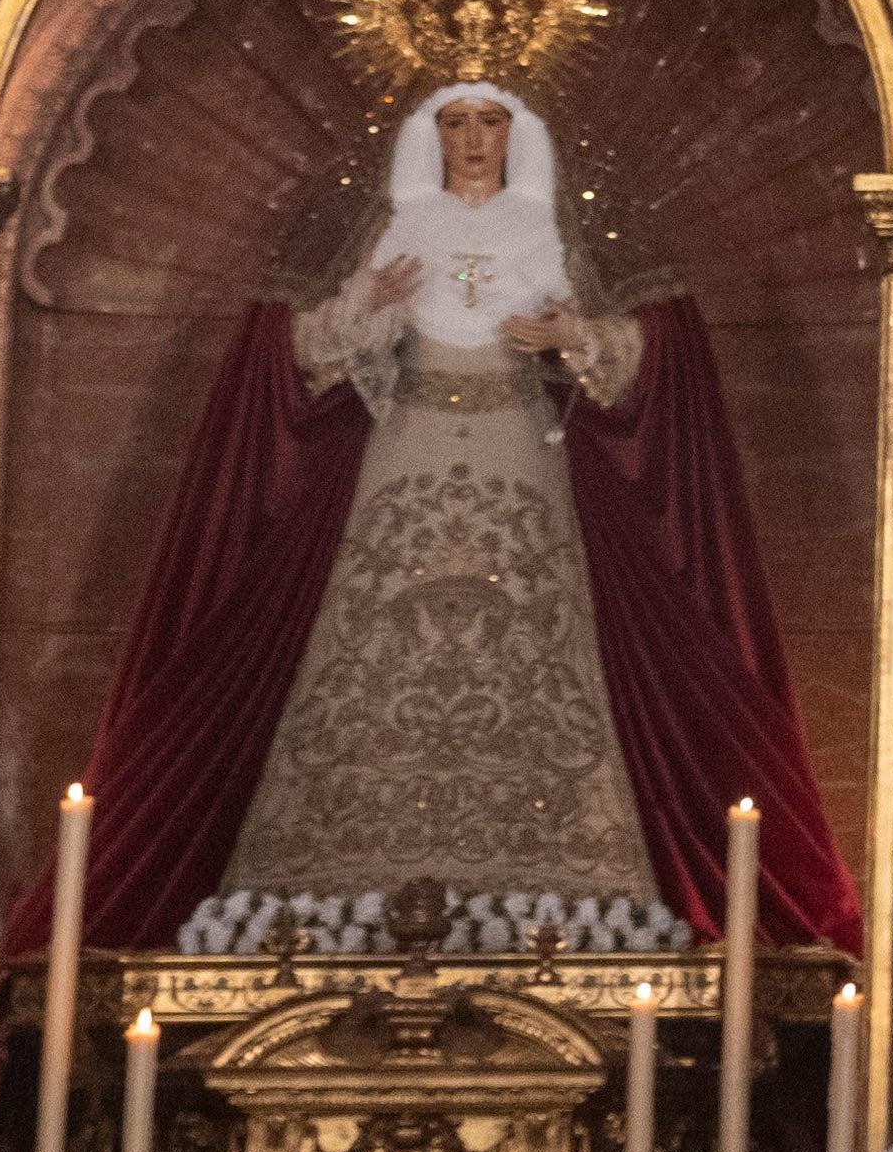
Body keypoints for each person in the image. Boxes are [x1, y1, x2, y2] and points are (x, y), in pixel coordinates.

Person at [212, 81, 668, 925]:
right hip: (409, 442)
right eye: (454, 123)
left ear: (515, 135)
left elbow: (627, 353)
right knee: (381, 615)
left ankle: (554, 865)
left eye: (489, 121)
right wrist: (372, 304)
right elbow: (317, 347)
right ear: (430, 137)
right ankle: (343, 866)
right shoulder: (407, 224)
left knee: (531, 620)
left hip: (520, 443)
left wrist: (572, 338)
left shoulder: (546, 226)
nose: (472, 139)